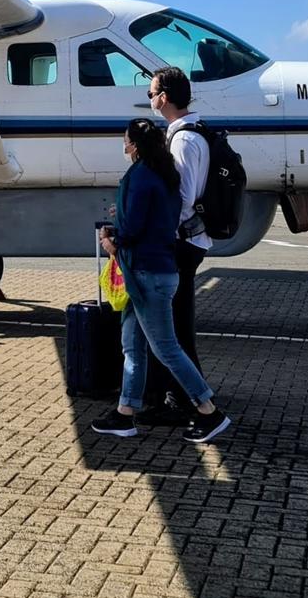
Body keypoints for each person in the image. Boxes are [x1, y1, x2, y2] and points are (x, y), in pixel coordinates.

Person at [90, 118, 231, 444]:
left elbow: (134, 229)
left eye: (125, 140)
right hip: (159, 269)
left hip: (144, 274)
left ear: (135, 145)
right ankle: (125, 412)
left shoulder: (139, 176)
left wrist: (112, 242)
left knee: (165, 347)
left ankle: (209, 410)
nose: (124, 145)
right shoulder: (165, 175)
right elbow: (154, 220)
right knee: (132, 345)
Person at [140, 66, 211, 424]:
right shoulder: (190, 133)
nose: (150, 99)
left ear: (164, 97)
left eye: (151, 94)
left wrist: (156, 231)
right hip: (187, 240)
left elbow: (182, 199)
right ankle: (182, 396)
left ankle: (184, 401)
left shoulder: (183, 139)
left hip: (180, 242)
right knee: (176, 324)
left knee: (172, 327)